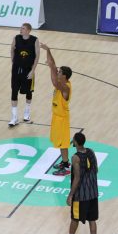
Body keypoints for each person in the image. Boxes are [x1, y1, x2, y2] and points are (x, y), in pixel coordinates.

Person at [40, 43, 72, 176]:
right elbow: (53, 64)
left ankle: (66, 168)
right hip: (56, 117)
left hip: (62, 119)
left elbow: (54, 81)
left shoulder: (65, 87)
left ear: (64, 76)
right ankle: (65, 163)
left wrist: (51, 68)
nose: (58, 73)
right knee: (59, 143)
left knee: (63, 143)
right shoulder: (62, 83)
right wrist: (48, 50)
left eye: (60, 72)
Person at [67, 132, 99, 234]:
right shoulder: (91, 151)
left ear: (75, 142)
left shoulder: (76, 157)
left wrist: (71, 195)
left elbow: (77, 177)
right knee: (92, 220)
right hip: (93, 193)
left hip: (81, 195)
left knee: (75, 218)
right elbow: (96, 170)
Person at [9, 23, 40, 126]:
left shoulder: (34, 40)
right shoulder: (16, 38)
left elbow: (37, 56)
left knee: (28, 92)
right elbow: (12, 49)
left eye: (23, 28)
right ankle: (14, 118)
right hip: (16, 70)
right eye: (20, 28)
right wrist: (13, 60)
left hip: (28, 70)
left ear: (28, 30)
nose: (20, 29)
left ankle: (26, 114)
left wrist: (33, 70)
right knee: (14, 91)